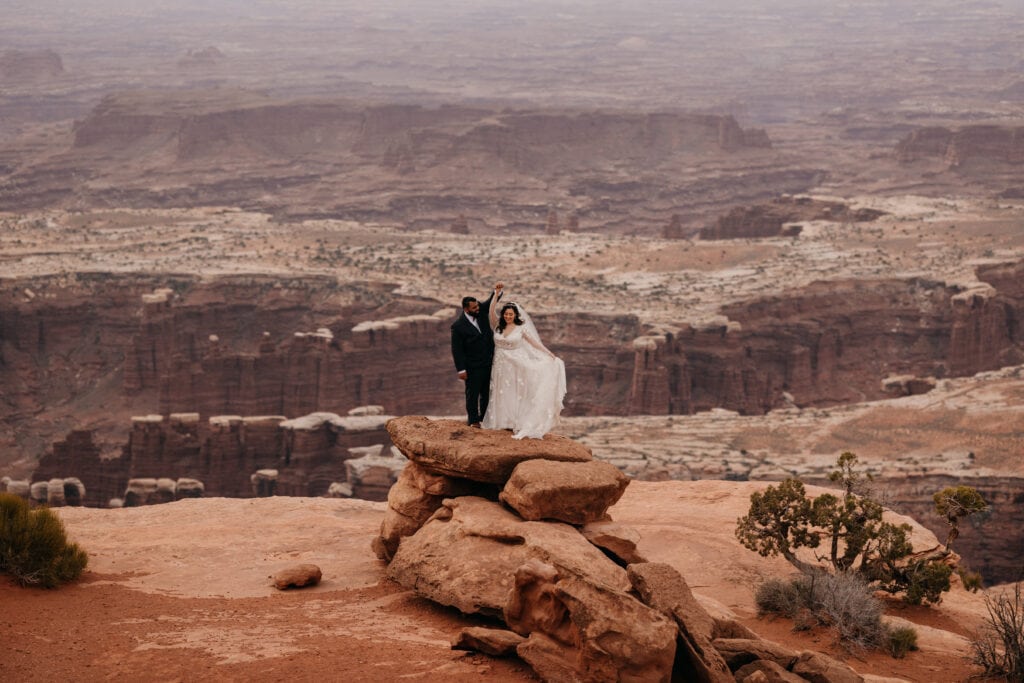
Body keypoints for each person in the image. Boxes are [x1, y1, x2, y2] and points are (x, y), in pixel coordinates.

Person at [482, 285, 567, 439]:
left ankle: (516, 421)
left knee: (515, 391)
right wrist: (495, 295)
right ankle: (502, 420)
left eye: (511, 314)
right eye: (506, 314)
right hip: (500, 366)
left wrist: (548, 353)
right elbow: (490, 311)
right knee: (500, 391)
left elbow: (534, 343)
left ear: (515, 315)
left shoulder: (520, 329)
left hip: (515, 364)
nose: (508, 316)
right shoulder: (498, 326)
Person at [450, 284, 503, 426]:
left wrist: (497, 292)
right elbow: (457, 349)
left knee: (486, 393)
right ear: (466, 309)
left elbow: (491, 301)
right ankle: (473, 421)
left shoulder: (480, 312)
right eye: (474, 308)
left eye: (477, 306)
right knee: (472, 394)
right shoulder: (458, 326)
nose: (477, 309)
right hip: (472, 366)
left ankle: (484, 419)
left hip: (488, 362)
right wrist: (461, 369)